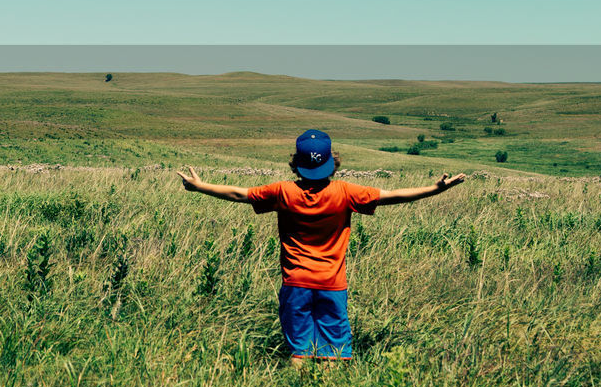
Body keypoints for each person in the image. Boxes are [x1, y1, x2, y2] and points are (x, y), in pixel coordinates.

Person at [176, 129, 465, 366]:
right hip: (332, 283)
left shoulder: (282, 191)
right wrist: (435, 189)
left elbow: (240, 195)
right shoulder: (346, 193)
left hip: (295, 282)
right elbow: (392, 196)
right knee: (332, 354)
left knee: (300, 351)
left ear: (296, 163)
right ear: (332, 162)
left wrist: (200, 186)